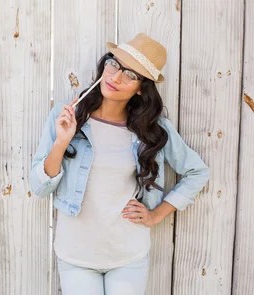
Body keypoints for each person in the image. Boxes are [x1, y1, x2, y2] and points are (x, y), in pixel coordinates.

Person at [29, 33, 210, 295]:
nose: (116, 77)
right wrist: (61, 141)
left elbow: (197, 172)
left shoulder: (153, 131)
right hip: (76, 255)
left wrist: (155, 214)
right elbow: (39, 187)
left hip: (128, 256)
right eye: (114, 64)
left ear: (140, 87)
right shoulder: (65, 116)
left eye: (131, 74)